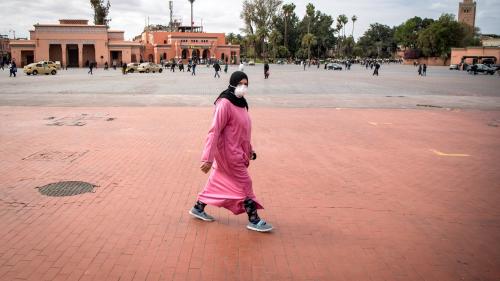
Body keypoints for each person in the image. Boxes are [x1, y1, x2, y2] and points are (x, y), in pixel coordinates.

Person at [189, 71, 273, 232]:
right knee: (245, 183)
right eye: (241, 83)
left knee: (216, 180)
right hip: (228, 154)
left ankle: (198, 207)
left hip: (236, 151)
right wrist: (207, 158)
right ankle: (253, 219)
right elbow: (214, 131)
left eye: (246, 84)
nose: (244, 87)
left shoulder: (242, 103)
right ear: (233, 83)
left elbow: (242, 132)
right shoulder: (225, 103)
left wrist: (249, 150)